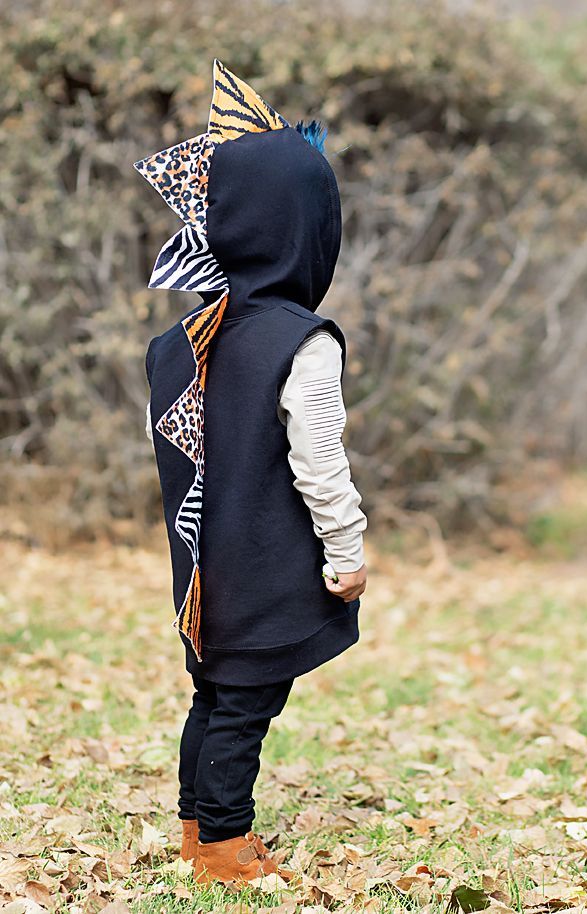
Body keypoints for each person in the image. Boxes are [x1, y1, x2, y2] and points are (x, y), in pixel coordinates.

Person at [137, 60, 366, 885]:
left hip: (201, 569)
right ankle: (226, 848)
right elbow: (319, 457)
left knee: (214, 695)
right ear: (307, 230)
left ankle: (198, 829)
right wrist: (345, 551)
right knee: (245, 707)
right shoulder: (300, 341)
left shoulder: (183, 341)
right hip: (264, 565)